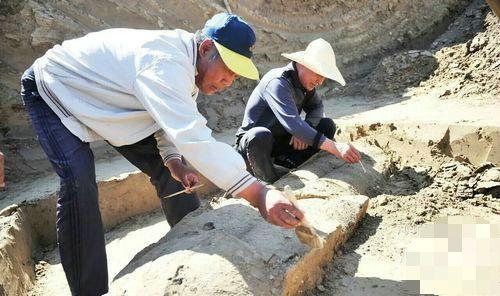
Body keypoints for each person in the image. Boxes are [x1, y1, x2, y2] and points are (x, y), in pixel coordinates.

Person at [21, 13, 303, 296]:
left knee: (174, 171)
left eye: (236, 74)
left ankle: (196, 237)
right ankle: (90, 291)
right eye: (227, 69)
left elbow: (170, 121)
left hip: (111, 99)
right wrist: (259, 193)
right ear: (206, 49)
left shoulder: (187, 66)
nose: (229, 80)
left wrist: (172, 160)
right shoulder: (164, 63)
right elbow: (193, 137)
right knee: (79, 183)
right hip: (55, 89)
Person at [235, 38, 361, 183]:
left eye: (323, 77)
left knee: (326, 125)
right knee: (259, 135)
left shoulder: (306, 85)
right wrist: (335, 147)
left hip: (280, 142)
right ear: (302, 64)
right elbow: (293, 124)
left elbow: (317, 107)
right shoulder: (278, 82)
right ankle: (267, 178)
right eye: (318, 74)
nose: (320, 81)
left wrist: (307, 128)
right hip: (253, 147)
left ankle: (288, 164)